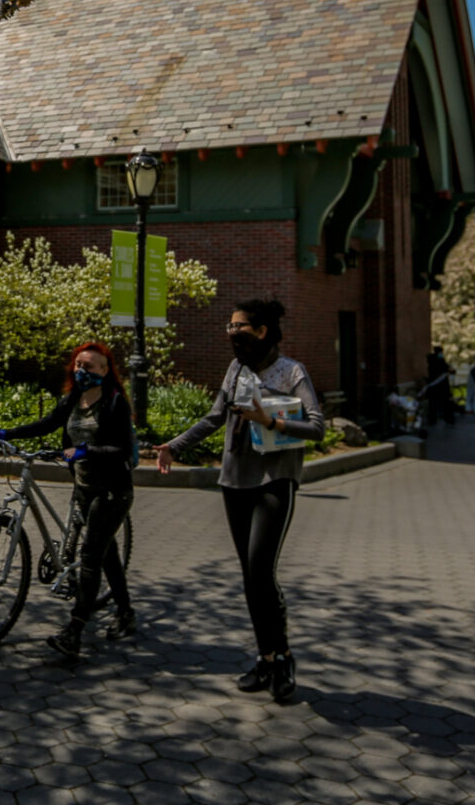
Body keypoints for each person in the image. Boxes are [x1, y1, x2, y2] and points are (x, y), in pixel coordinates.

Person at [155, 299, 324, 703]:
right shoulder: (236, 369)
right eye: (228, 327)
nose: (231, 333)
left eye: (239, 326)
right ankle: (265, 658)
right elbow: (215, 417)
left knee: (262, 572)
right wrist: (174, 447)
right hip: (234, 480)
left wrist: (271, 421)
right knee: (250, 578)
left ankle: (283, 659)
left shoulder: (291, 372)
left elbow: (316, 427)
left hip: (274, 480)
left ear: (262, 330)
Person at [0, 342, 137, 660]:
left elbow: (120, 449)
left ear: (105, 372)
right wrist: (4, 433)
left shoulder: (115, 403)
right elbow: (47, 424)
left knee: (91, 556)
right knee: (106, 554)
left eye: (90, 366)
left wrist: (85, 450)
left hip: (112, 491)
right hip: (83, 487)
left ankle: (74, 632)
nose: (82, 371)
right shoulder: (72, 400)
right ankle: (125, 611)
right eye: (78, 364)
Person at [424, 344, 456, 426]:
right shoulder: (440, 360)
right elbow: (447, 369)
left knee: (433, 404)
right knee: (446, 403)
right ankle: (448, 419)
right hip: (442, 386)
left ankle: (432, 419)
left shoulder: (431, 360)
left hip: (433, 386)